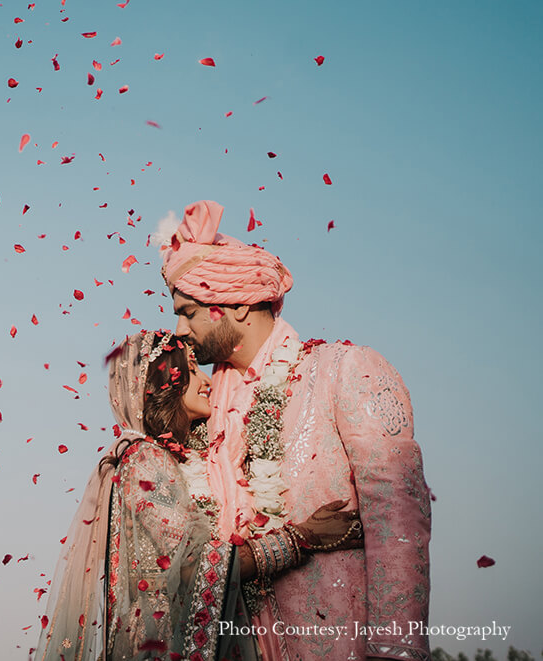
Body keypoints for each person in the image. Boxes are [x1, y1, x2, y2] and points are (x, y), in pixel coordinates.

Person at [159, 200, 431, 661]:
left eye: (189, 311)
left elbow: (398, 520)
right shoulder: (200, 415)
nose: (179, 331)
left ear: (239, 307)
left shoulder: (343, 371)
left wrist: (395, 650)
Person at [35, 330, 363, 661]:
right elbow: (195, 565)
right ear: (164, 384)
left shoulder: (160, 457)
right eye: (191, 371)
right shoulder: (145, 460)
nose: (205, 381)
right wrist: (302, 538)